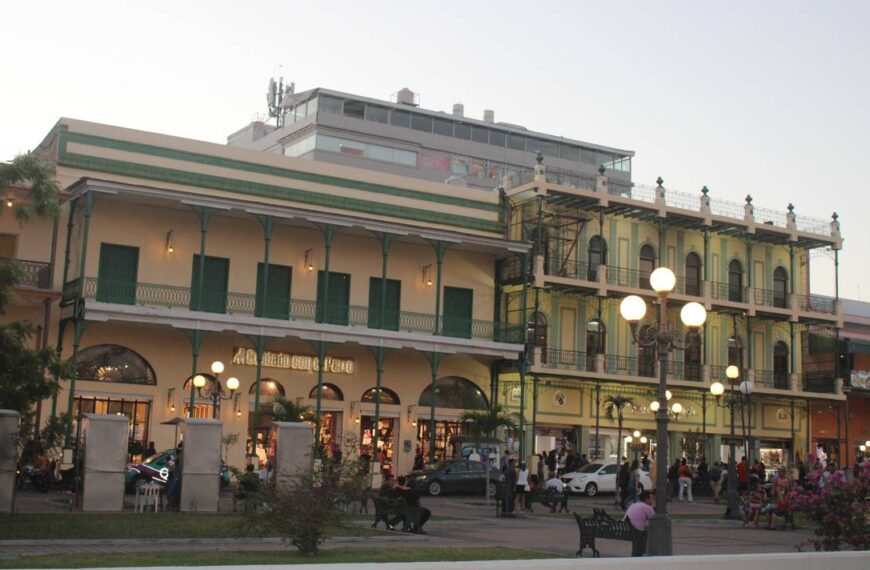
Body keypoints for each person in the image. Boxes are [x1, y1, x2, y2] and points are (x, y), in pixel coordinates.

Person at [625, 490, 655, 557]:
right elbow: (654, 519)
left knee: (646, 529)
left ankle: (639, 553)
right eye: (651, 498)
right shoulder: (647, 507)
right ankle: (643, 553)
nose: (652, 500)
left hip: (627, 528)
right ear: (647, 499)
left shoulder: (634, 504)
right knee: (651, 532)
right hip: (636, 530)